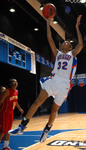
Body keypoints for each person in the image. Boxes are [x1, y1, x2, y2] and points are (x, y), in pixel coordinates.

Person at [8, 15, 83, 142]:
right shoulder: (58, 53)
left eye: (69, 43)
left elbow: (80, 43)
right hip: (53, 80)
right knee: (37, 102)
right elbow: (49, 39)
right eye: (65, 42)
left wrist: (77, 27)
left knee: (54, 110)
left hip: (64, 85)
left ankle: (47, 129)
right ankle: (22, 126)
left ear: (70, 48)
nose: (66, 42)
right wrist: (48, 23)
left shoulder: (73, 54)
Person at [0, 79, 24, 150]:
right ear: (10, 84)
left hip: (11, 113)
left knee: (8, 131)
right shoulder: (7, 91)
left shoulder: (16, 91)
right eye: (14, 82)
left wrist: (20, 109)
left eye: (16, 82)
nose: (15, 83)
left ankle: (6, 146)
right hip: (4, 113)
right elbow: (1, 101)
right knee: (3, 131)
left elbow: (15, 102)